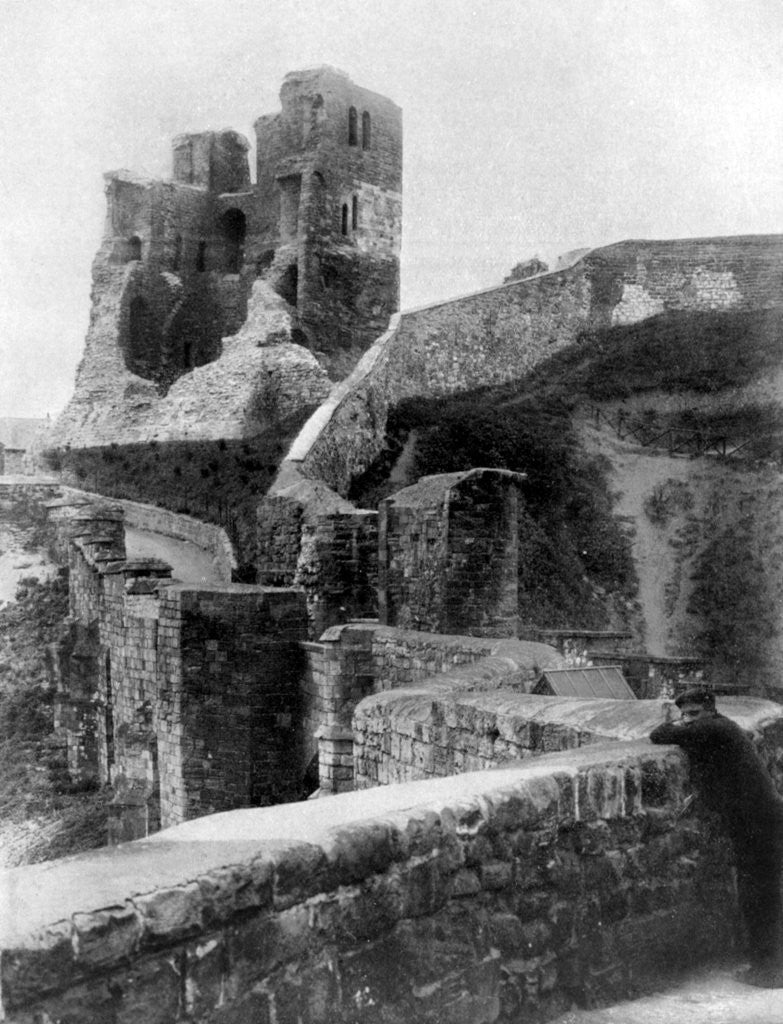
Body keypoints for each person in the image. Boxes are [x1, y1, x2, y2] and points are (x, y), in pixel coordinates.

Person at [650, 687, 783, 987]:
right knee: (761, 894)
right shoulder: (722, 728)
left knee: (760, 896)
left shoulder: (716, 727)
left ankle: (770, 971)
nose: (689, 720)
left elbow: (658, 735)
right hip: (760, 819)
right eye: (685, 715)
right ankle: (768, 967)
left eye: (694, 714)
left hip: (759, 821)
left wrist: (678, 724)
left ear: (710, 710)